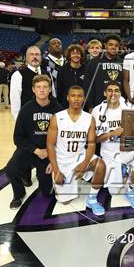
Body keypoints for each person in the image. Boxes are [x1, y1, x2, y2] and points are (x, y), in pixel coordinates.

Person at [47, 86, 106, 215]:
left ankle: (92, 199)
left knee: (100, 166)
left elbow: (91, 145)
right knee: (66, 201)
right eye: (73, 95)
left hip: (79, 156)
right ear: (68, 98)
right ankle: (69, 183)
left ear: (83, 98)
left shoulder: (89, 119)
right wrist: (56, 170)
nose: (76, 99)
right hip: (63, 160)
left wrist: (84, 164)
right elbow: (50, 145)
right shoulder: (57, 118)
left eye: (80, 96)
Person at [4, 75, 62, 209]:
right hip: (30, 150)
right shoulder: (26, 110)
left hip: (47, 153)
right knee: (10, 169)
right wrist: (35, 150)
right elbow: (17, 137)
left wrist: (52, 156)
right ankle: (18, 193)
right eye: (38, 87)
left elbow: (62, 137)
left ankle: (39, 175)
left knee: (47, 192)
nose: (42, 90)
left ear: (49, 90)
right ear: (33, 90)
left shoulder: (58, 110)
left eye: (45, 87)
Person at [91, 82, 134, 208]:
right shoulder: (97, 111)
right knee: (114, 192)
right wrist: (111, 133)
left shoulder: (127, 108)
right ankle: (123, 171)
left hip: (126, 150)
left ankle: (131, 191)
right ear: (105, 93)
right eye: (109, 90)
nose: (113, 93)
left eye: (116, 90)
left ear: (120, 93)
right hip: (109, 153)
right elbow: (95, 139)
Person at [10, 46, 53, 119]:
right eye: (31, 54)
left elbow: (52, 95)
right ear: (26, 58)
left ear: (41, 57)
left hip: (47, 117)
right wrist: (18, 118)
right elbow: (15, 99)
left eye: (37, 54)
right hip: (27, 117)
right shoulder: (18, 75)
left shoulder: (48, 74)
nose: (35, 57)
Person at [83, 34, 123, 112]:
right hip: (98, 106)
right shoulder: (93, 63)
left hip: (118, 106)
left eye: (116, 45)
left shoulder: (123, 63)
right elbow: (87, 86)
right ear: (105, 45)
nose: (113, 47)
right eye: (110, 44)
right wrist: (90, 106)